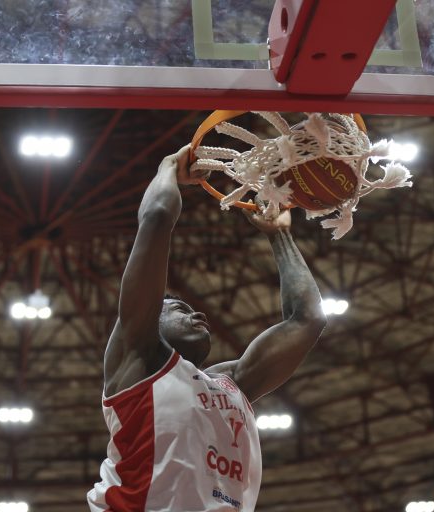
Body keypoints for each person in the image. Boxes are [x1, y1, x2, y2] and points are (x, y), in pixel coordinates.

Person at [87, 145, 327, 512]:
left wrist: (279, 235)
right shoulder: (137, 361)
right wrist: (169, 166)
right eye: (179, 309)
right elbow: (157, 216)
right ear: (150, 321)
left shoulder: (234, 382)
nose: (198, 313)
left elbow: (308, 319)